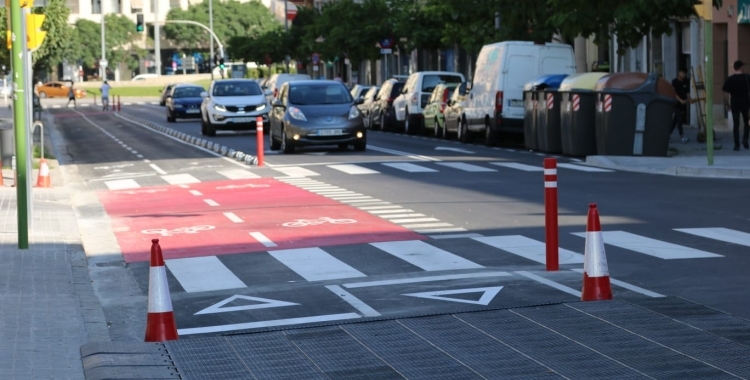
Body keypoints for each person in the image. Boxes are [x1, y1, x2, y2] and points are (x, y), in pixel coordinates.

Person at [722, 60, 750, 151]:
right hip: (746, 104)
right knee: (748, 122)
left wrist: (727, 104)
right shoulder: (747, 77)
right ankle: (745, 140)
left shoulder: (730, 79)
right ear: (741, 67)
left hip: (735, 104)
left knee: (736, 124)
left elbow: (726, 93)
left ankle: (736, 144)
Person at [671, 69, 690, 143]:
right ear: (679, 73)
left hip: (683, 104)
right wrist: (680, 100)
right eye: (683, 73)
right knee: (679, 120)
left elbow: (687, 92)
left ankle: (667, 136)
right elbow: (674, 93)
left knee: (675, 121)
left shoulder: (686, 81)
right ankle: (682, 136)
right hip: (676, 103)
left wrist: (689, 98)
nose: (684, 75)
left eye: (685, 74)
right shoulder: (674, 82)